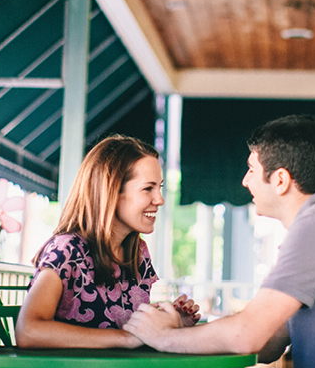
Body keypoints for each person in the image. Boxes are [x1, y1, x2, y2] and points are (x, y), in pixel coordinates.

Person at [125, 115, 315, 368]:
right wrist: (184, 332)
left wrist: (163, 337)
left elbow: (247, 335)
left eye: (251, 169)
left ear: (280, 180)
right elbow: (269, 341)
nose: (244, 181)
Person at [15, 135, 199, 348]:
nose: (160, 199)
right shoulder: (65, 250)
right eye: (148, 188)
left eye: (159, 187)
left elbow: (127, 327)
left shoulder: (137, 253)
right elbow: (28, 331)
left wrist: (171, 324)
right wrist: (126, 339)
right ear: (111, 191)